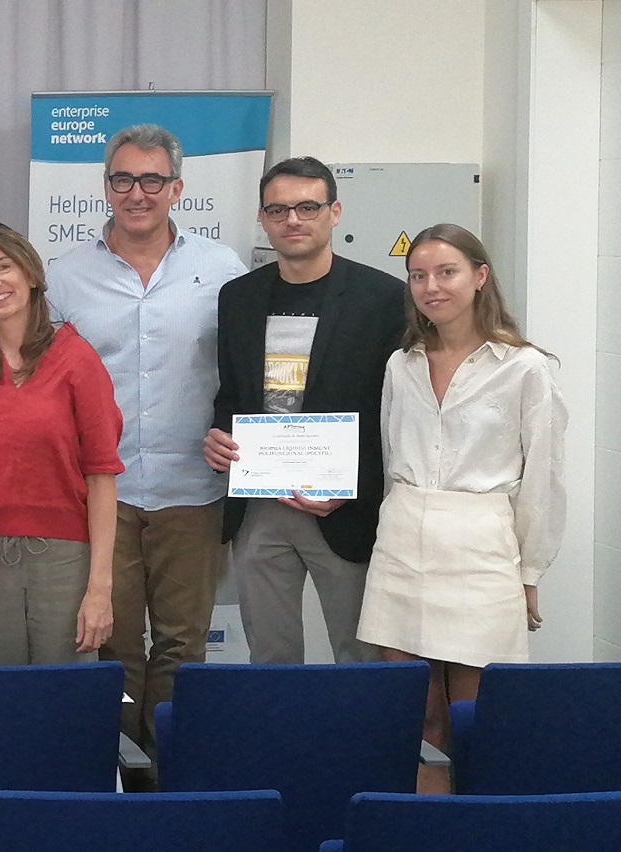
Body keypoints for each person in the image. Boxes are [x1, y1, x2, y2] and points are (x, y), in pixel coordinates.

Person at [45, 125, 247, 770]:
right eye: (123, 180)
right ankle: (119, 783)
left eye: (152, 180)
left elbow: (248, 372)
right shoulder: (65, 279)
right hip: (104, 494)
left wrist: (246, 430)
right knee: (115, 647)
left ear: (177, 189)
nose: (137, 193)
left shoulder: (222, 270)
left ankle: (168, 782)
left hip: (193, 488)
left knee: (184, 647)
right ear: (105, 187)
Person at [358, 223, 566, 794]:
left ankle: (476, 826)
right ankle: (421, 829)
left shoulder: (524, 367)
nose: (431, 287)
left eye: (446, 272)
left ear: (479, 277)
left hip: (481, 544)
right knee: (414, 718)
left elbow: (542, 480)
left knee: (474, 719)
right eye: (418, 275)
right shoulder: (401, 363)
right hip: (402, 539)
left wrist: (529, 572)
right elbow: (388, 455)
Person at [204, 156, 407, 668]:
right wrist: (219, 437)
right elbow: (233, 394)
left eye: (307, 207)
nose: (292, 219)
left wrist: (353, 486)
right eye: (278, 209)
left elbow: (397, 413)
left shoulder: (384, 298)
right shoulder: (238, 298)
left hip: (343, 509)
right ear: (263, 218)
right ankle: (280, 749)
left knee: (359, 658)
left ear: (335, 212)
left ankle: (363, 752)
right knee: (270, 660)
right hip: (260, 508)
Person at [0, 222, 121, 665]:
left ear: (31, 274)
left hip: (65, 558)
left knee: (65, 704)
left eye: (2, 267)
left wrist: (100, 588)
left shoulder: (76, 359)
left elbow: (101, 477)